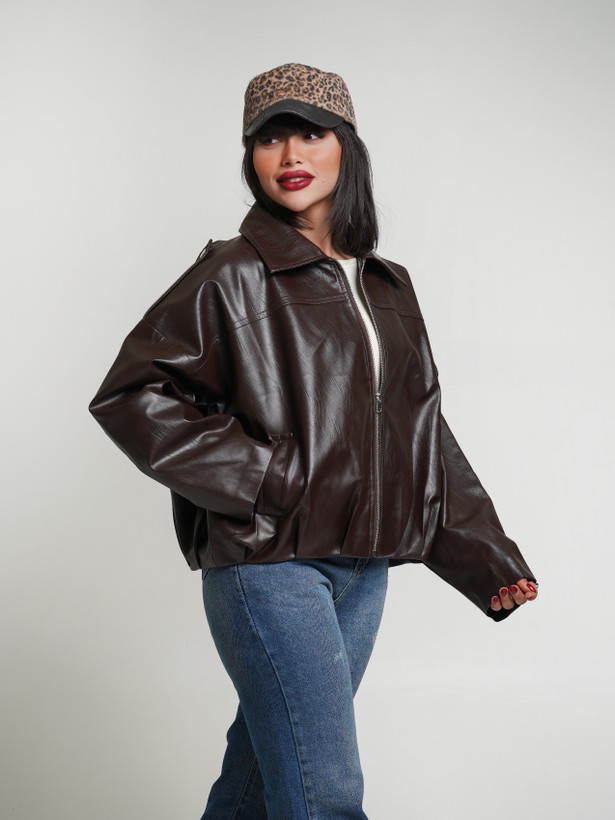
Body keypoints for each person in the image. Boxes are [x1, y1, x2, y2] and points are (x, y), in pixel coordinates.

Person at [89, 63, 539, 820]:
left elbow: (418, 427)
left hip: (364, 567)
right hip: (270, 563)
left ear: (346, 147)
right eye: (269, 139)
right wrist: (265, 479)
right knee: (323, 793)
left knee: (261, 782)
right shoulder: (233, 272)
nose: (290, 154)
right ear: (250, 157)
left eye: (310, 133)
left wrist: (485, 555)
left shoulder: (386, 285)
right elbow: (133, 395)